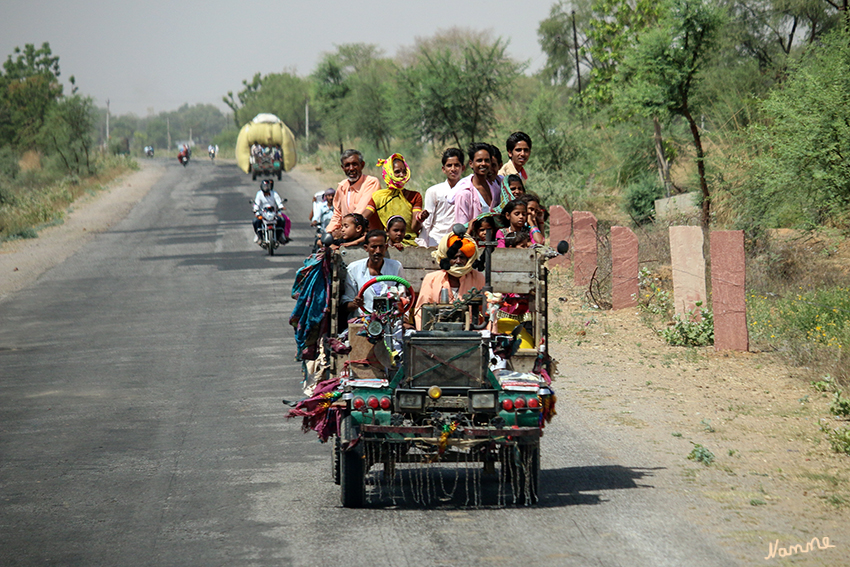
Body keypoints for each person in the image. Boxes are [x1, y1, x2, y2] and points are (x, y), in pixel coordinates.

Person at [414, 233, 485, 329]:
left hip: (470, 332)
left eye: (462, 257)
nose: (458, 261)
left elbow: (487, 311)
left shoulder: (478, 277)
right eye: (454, 257)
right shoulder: (432, 279)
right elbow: (421, 311)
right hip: (438, 333)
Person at [364, 153, 427, 243]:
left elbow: (414, 228)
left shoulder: (415, 196)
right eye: (397, 172)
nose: (402, 175)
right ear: (388, 173)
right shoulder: (378, 197)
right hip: (387, 243)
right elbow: (364, 217)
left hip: (411, 243)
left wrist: (420, 218)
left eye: (404, 172)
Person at [342, 230, 405, 317]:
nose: (378, 251)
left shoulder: (396, 267)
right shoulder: (354, 269)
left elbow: (403, 297)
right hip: (363, 320)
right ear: (366, 248)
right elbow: (347, 302)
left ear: (386, 247)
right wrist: (355, 304)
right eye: (374, 247)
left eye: (381, 247)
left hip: (390, 320)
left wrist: (404, 319)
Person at [325, 149, 382, 236]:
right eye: (347, 165)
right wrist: (329, 232)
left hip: (369, 238)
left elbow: (360, 213)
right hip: (347, 235)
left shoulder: (371, 182)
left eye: (354, 164)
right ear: (343, 168)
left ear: (362, 165)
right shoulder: (342, 186)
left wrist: (342, 232)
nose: (351, 169)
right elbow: (337, 214)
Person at [417, 148, 465, 247]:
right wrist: (423, 245)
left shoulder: (467, 191)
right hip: (435, 241)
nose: (453, 169)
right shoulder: (434, 191)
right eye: (449, 165)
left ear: (463, 168)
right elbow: (427, 223)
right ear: (443, 169)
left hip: (458, 242)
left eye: (456, 165)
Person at [450, 143, 501, 225]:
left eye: (486, 160)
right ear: (471, 163)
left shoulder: (496, 188)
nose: (483, 164)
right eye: (479, 160)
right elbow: (462, 227)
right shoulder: (464, 194)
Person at [252, 179, 290, 244]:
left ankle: (280, 236)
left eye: (267, 186)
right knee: (256, 221)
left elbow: (279, 202)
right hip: (263, 213)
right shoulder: (259, 194)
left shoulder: (274, 193)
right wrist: (255, 210)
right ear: (261, 186)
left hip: (273, 212)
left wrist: (281, 207)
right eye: (264, 186)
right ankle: (259, 236)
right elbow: (257, 204)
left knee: (282, 220)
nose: (266, 187)